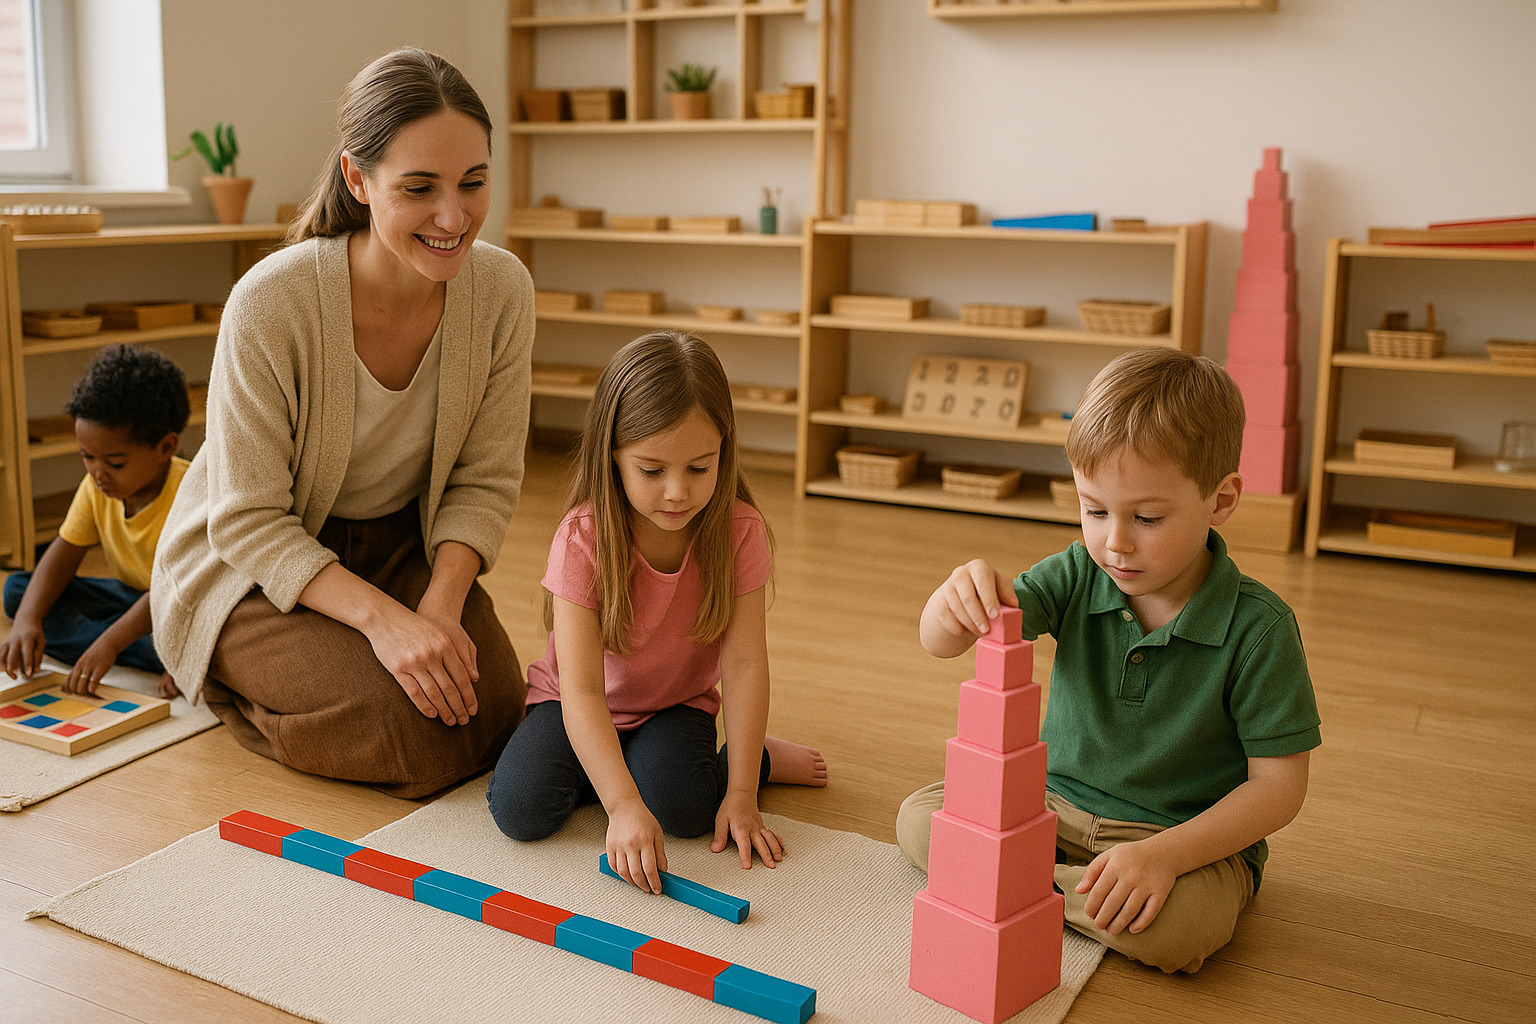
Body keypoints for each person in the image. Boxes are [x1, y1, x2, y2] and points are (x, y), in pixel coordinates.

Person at [150, 48, 534, 798]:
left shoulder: (502, 291)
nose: (453, 217)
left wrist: (439, 610)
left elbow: (485, 480)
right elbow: (249, 522)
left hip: (398, 543)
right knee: (414, 743)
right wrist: (386, 625)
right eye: (419, 188)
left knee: (493, 717)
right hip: (253, 568)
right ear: (358, 180)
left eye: (473, 183)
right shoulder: (271, 302)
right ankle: (218, 677)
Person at [899, 347, 1321, 974]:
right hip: (1051, 805)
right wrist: (954, 599)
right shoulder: (1077, 572)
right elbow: (944, 641)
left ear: (1221, 500)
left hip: (1175, 838)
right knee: (918, 821)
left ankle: (1016, 885)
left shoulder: (1260, 628)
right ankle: (1071, 893)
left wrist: (1164, 858)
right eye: (1094, 510)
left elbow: (1279, 790)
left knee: (1183, 928)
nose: (1115, 543)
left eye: (1146, 517)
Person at [487, 331, 827, 893]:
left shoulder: (739, 531)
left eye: (699, 468)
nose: (676, 492)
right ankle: (615, 772)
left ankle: (759, 759)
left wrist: (742, 792)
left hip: (675, 704)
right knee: (521, 809)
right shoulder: (582, 537)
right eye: (651, 470)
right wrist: (622, 805)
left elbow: (745, 667)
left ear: (724, 451)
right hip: (575, 701)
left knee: (688, 811)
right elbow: (583, 692)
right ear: (613, 457)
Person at [2, 345, 189, 698]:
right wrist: (26, 621)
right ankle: (157, 653)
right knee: (18, 592)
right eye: (87, 457)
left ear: (166, 448)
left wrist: (110, 643)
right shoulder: (96, 487)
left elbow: (172, 592)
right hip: (132, 602)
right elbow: (62, 556)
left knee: (219, 632)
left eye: (115, 463)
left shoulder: (191, 492)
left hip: (183, 605)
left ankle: (164, 651)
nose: (97, 473)